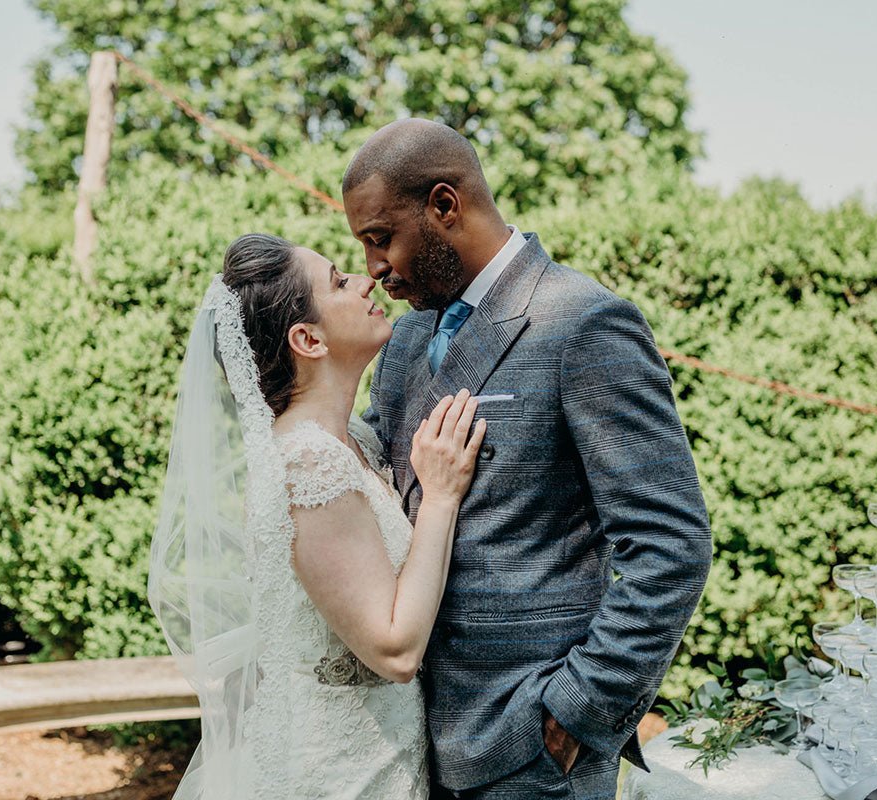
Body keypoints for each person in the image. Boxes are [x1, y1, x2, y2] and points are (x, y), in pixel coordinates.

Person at [345, 119, 713, 799]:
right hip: (406, 750)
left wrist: (574, 713)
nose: (373, 268)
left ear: (445, 206)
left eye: (379, 238)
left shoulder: (584, 322)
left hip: (530, 755)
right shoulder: (400, 345)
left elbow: (671, 543)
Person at [148, 232, 485, 799]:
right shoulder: (306, 465)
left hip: (376, 754)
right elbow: (394, 649)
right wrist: (443, 496)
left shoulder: (350, 442)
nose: (365, 280)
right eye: (338, 280)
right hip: (335, 773)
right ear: (307, 338)